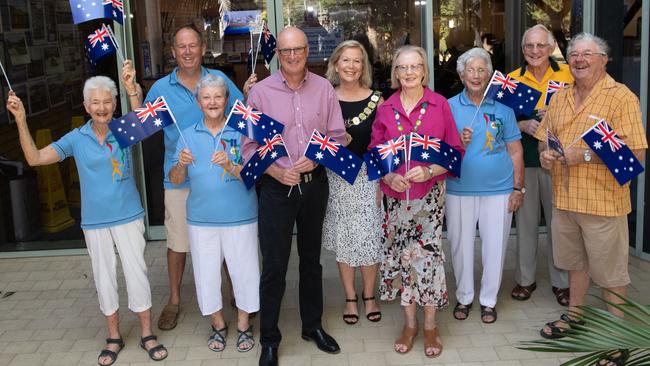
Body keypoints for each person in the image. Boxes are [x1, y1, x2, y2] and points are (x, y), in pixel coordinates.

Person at [6, 77, 168, 365]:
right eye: (95, 102)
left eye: (107, 101)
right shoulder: (76, 138)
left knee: (137, 274)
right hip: (94, 221)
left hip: (128, 215)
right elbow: (35, 158)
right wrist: (20, 119)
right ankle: (114, 337)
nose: (101, 107)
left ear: (114, 104)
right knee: (103, 277)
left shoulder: (123, 128)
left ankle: (146, 333)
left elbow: (145, 126)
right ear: (85, 106)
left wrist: (133, 93)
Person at [121, 24, 255, 331]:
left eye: (193, 45)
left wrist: (250, 93)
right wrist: (133, 95)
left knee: (223, 238)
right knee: (178, 244)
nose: (188, 51)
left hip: (221, 175)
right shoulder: (161, 88)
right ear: (173, 52)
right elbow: (143, 126)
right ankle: (175, 300)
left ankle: (236, 293)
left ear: (202, 48)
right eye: (181, 47)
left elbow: (243, 113)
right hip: (179, 176)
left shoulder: (218, 81)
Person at [535, 33, 647, 366]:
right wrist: (545, 156)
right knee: (575, 264)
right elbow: (545, 141)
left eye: (588, 54)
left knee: (612, 275)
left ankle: (617, 338)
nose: (579, 60)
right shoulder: (561, 97)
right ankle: (575, 316)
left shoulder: (621, 97)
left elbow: (636, 154)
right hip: (566, 201)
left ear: (604, 59)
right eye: (574, 54)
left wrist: (581, 157)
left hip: (603, 203)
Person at [241, 27, 345, 366]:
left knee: (312, 262)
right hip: (276, 188)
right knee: (274, 266)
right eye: (286, 51)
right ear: (278, 54)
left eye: (298, 49)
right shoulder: (260, 92)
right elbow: (248, 148)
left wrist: (318, 156)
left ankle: (311, 326)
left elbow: (338, 136)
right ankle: (269, 339)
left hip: (314, 186)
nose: (292, 56)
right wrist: (274, 171)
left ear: (307, 50)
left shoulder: (324, 88)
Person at [371, 45, 463, 358]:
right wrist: (387, 177)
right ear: (395, 73)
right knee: (403, 260)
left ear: (424, 70)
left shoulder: (439, 105)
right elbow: (376, 153)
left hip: (429, 200)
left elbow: (454, 152)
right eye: (403, 67)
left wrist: (431, 169)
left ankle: (431, 326)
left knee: (428, 261)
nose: (409, 73)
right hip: (397, 201)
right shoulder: (386, 109)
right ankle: (409, 325)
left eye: (415, 67)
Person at [169, 74, 259, 352]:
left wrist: (231, 166)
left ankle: (244, 323)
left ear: (226, 100)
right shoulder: (186, 134)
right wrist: (181, 165)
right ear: (198, 102)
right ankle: (218, 323)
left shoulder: (242, 129)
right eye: (206, 97)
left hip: (240, 215)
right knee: (206, 274)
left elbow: (255, 175)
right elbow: (174, 179)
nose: (212, 102)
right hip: (201, 219)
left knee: (245, 271)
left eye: (218, 96)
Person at [446, 47, 524, 324]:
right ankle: (464, 297)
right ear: (461, 74)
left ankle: (488, 300)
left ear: (489, 74)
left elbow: (515, 150)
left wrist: (517, 188)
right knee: (460, 247)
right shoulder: (448, 106)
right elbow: (439, 151)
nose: (476, 75)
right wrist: (459, 142)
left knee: (495, 247)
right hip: (458, 189)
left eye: (482, 70)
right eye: (471, 70)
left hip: (500, 190)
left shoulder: (503, 109)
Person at [508, 24, 572, 305]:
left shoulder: (569, 73)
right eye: (529, 46)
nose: (535, 51)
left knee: (560, 224)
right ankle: (525, 279)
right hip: (525, 160)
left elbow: (584, 110)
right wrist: (520, 123)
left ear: (550, 48)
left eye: (540, 46)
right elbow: (498, 120)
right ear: (523, 50)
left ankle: (562, 282)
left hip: (559, 161)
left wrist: (557, 115)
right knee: (526, 223)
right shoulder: (511, 79)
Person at [322, 40, 384, 326]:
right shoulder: (325, 97)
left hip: (368, 177)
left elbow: (383, 143)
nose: (350, 66)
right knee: (345, 238)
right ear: (336, 64)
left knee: (369, 236)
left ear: (364, 67)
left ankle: (369, 295)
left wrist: (382, 182)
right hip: (336, 177)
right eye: (345, 60)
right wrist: (334, 143)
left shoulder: (377, 99)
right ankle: (350, 297)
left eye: (357, 61)